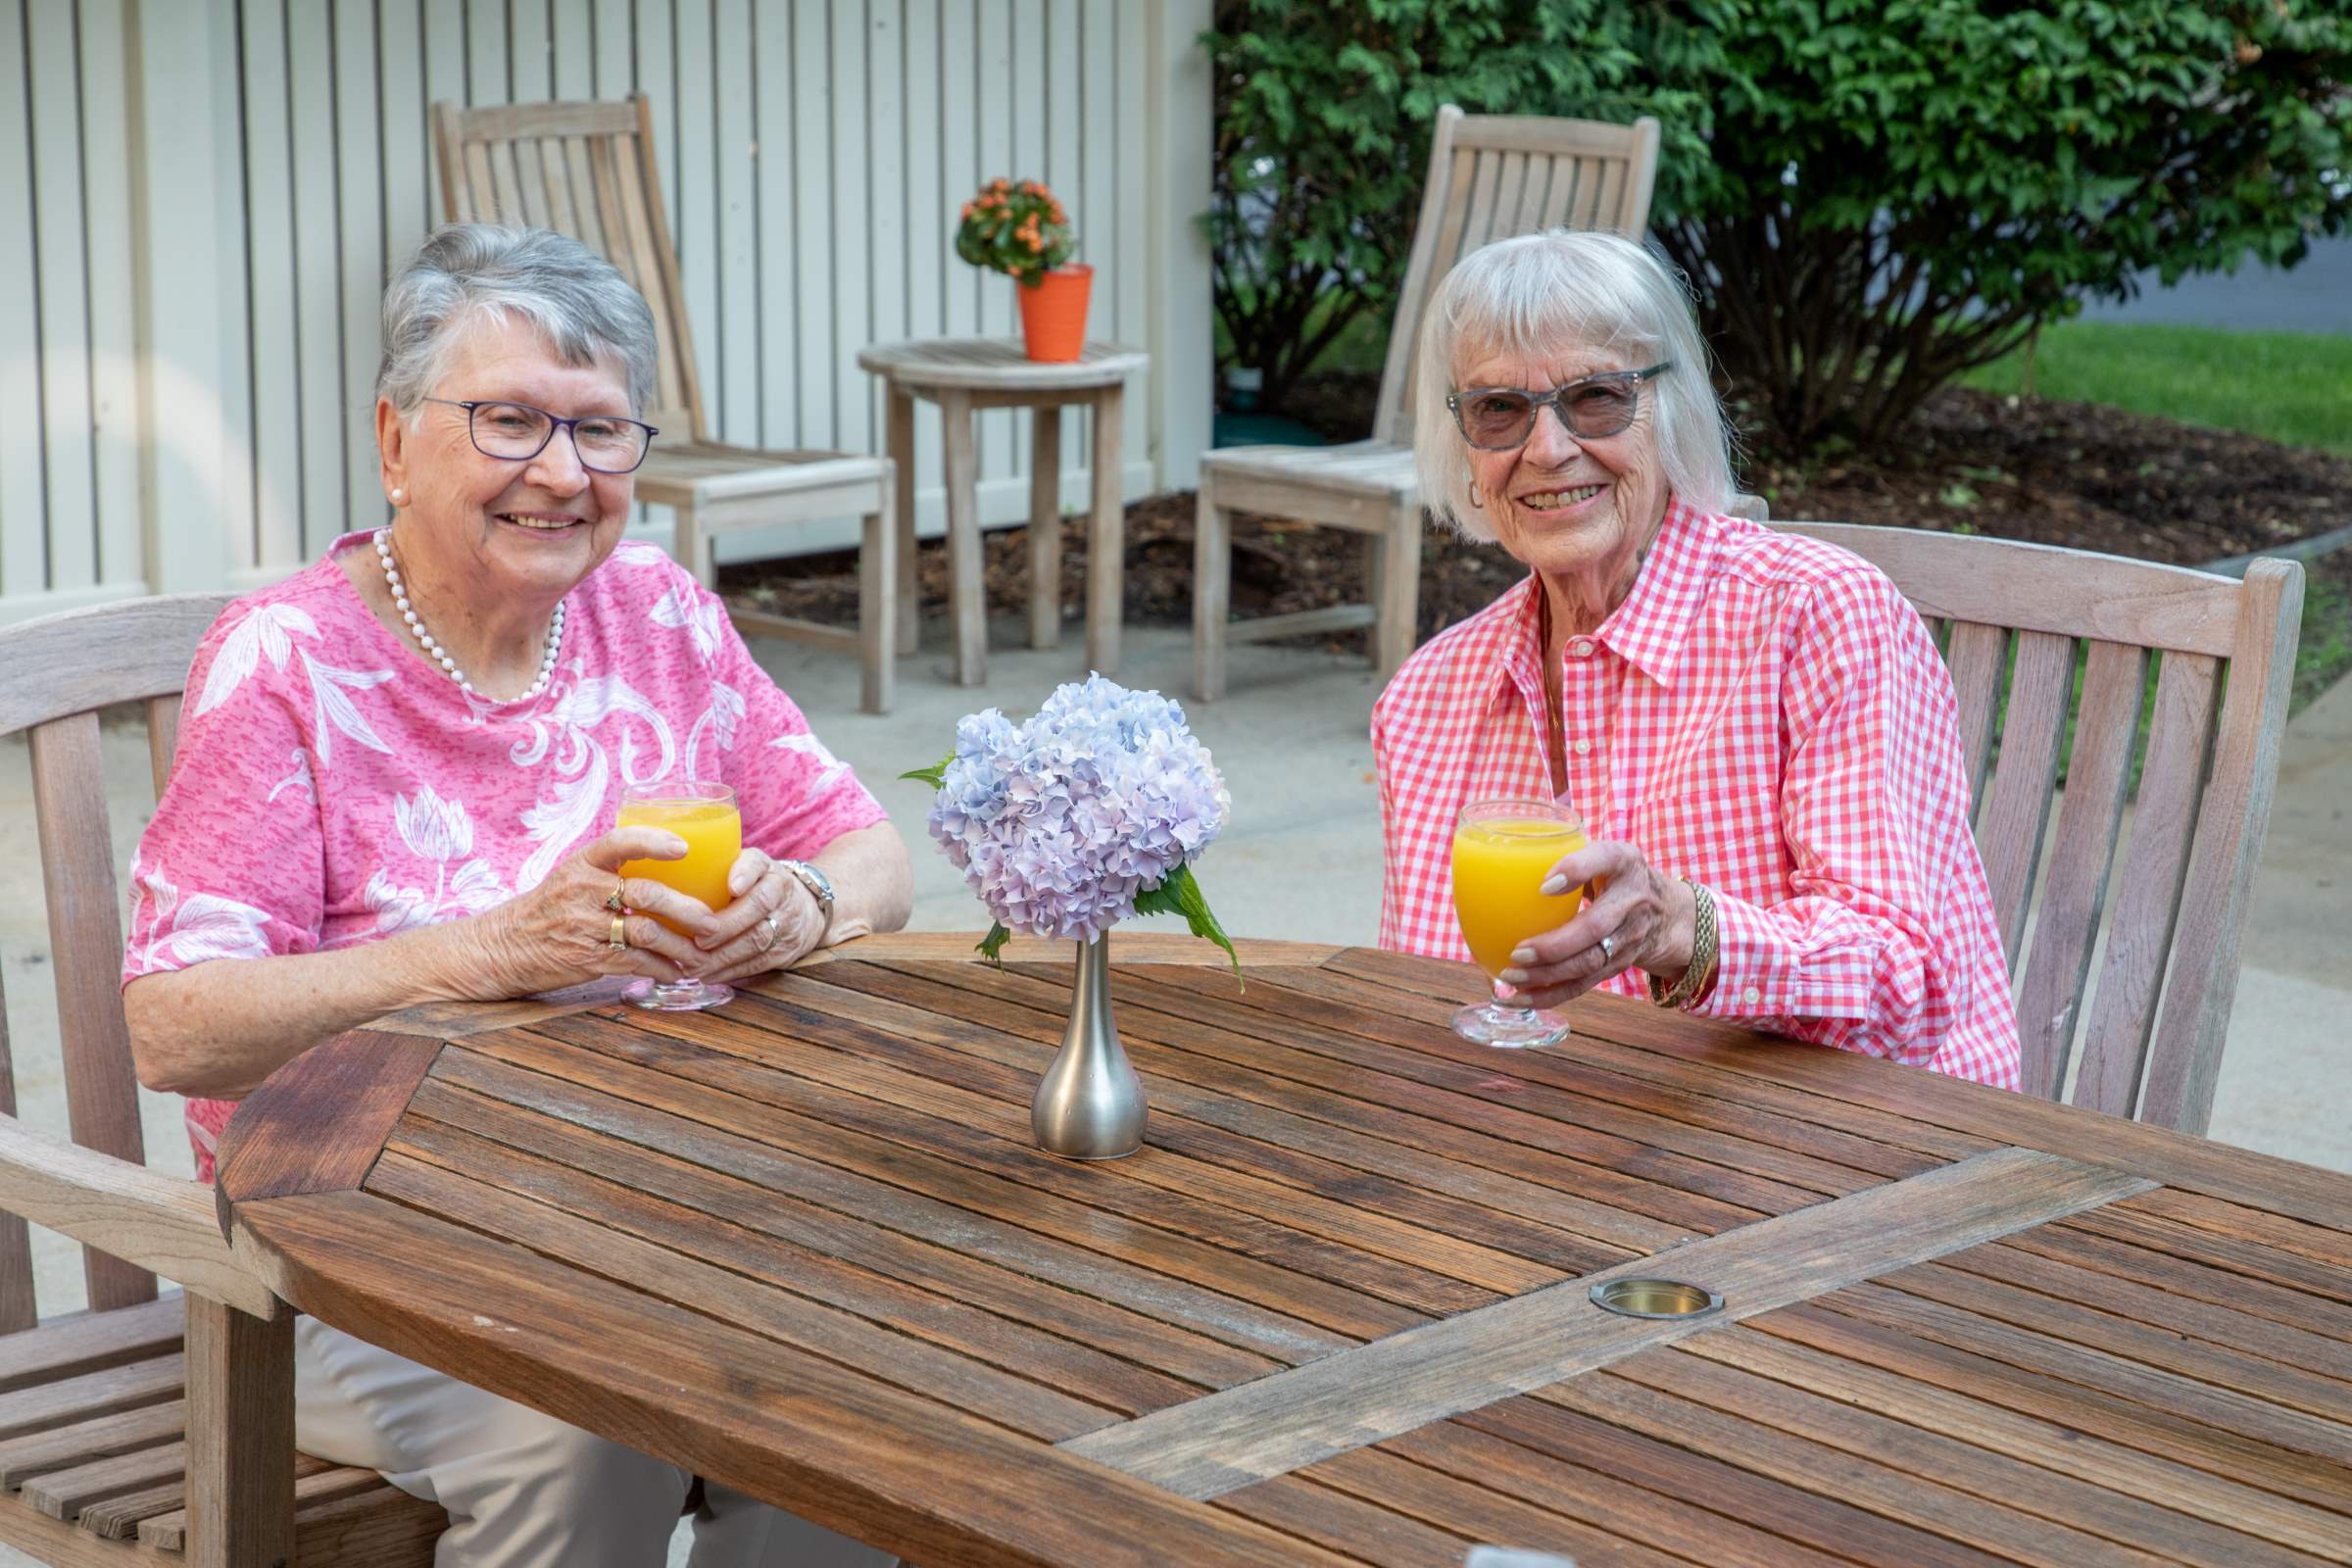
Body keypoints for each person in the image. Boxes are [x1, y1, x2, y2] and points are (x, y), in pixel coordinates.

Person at [122, 223, 909, 1567]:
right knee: (592, 1433)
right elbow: (177, 1026)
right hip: (352, 1258)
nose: (561, 474)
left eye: (601, 433)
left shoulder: (655, 612)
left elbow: (870, 851)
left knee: (865, 1397)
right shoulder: (288, 664)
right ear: (394, 441)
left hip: (658, 1211)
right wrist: (486, 951)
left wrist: (806, 907)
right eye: (508, 422)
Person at [1374, 230, 2020, 1086]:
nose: (1547, 449)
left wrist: (1685, 931)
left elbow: (1912, 985)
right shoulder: (1428, 698)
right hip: (1560, 1158)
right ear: (1464, 445)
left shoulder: (1815, 618)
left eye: (1596, 398)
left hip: (1837, 1159)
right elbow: (1417, 1009)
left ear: (1670, 409)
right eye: (1500, 410)